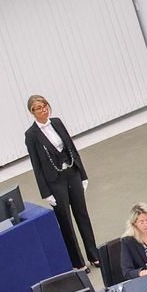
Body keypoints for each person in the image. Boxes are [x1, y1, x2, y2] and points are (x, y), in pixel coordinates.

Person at [25, 94, 99, 270]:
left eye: (45, 106)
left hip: (71, 173)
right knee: (66, 221)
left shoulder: (57, 122)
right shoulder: (31, 135)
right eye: (39, 108)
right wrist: (46, 192)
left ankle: (94, 255)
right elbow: (36, 165)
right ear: (32, 112)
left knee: (82, 215)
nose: (43, 110)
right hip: (54, 181)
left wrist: (82, 174)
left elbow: (71, 147)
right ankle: (78, 262)